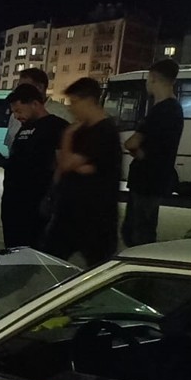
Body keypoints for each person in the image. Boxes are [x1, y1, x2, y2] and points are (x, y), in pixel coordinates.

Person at [42, 77, 122, 267]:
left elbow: (68, 162)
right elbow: (63, 165)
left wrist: (67, 136)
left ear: (88, 100)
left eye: (74, 102)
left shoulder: (104, 131)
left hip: (96, 217)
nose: (71, 108)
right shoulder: (82, 130)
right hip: (68, 214)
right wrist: (78, 165)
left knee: (98, 269)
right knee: (50, 262)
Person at [0, 83, 68, 249]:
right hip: (13, 202)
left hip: (36, 203)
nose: (16, 116)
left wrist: (50, 197)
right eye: (13, 113)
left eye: (19, 111)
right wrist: (5, 162)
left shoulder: (57, 126)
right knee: (13, 248)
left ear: (35, 104)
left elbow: (62, 165)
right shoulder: (25, 127)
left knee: (33, 250)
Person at [122, 59, 183, 247]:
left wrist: (140, 153)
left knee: (137, 234)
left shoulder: (160, 111)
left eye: (148, 79)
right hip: (156, 181)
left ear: (154, 78)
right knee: (141, 231)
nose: (147, 83)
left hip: (146, 182)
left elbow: (131, 143)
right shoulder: (175, 109)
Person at [3, 67, 72, 147]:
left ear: (40, 87)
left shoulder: (63, 114)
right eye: (18, 86)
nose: (19, 91)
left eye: (24, 87)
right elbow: (11, 146)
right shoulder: (15, 117)